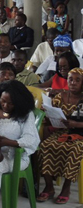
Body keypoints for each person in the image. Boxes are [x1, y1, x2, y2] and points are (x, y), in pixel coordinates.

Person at [37, 68, 83, 204]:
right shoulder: (60, 97)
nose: (73, 83)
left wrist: (75, 123)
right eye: (70, 79)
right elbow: (51, 120)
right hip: (61, 132)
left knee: (74, 150)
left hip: (79, 135)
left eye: (77, 80)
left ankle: (66, 188)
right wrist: (48, 113)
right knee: (45, 146)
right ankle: (49, 187)